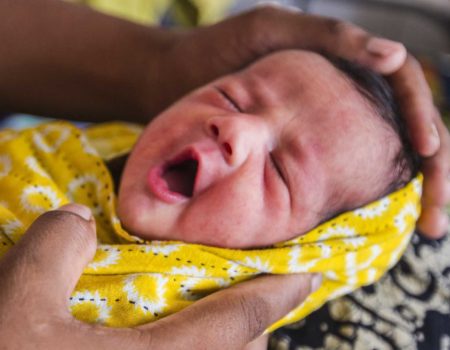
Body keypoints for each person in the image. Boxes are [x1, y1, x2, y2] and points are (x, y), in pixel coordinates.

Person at [0, 1, 448, 349]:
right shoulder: (57, 157)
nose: (235, 127)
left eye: (279, 170)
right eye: (232, 97)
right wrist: (163, 63)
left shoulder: (193, 328)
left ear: (293, 253)